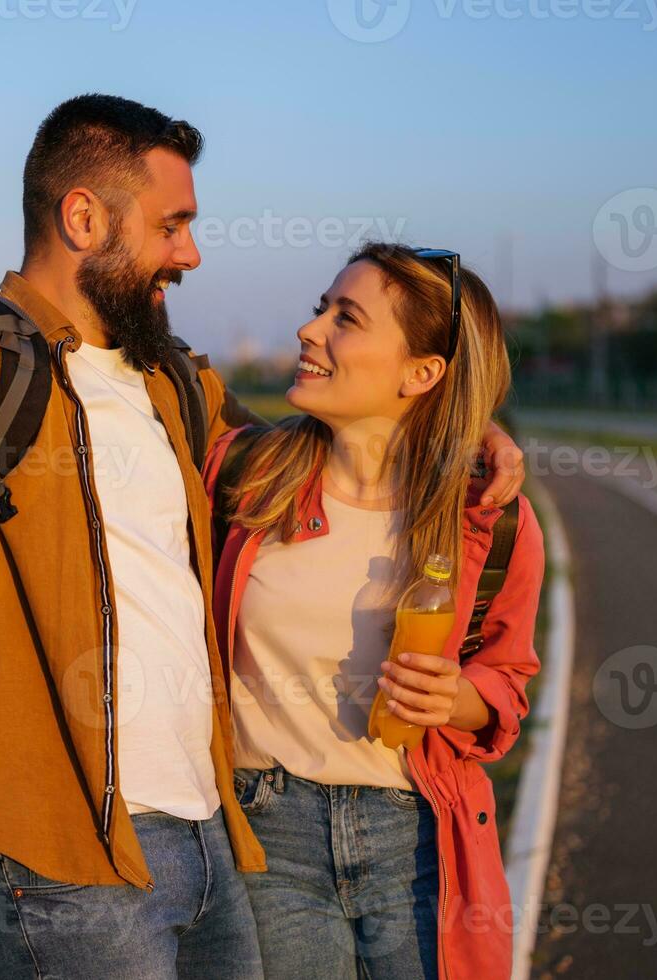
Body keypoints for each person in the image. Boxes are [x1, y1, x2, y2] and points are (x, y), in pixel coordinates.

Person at [0, 94, 526, 976]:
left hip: (213, 847)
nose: (190, 252)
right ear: (84, 217)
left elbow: (333, 447)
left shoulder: (174, 383)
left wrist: (455, 431)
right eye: (172, 225)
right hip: (57, 870)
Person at [203, 243, 544, 979]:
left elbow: (507, 683)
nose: (310, 330)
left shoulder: (490, 520)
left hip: (417, 840)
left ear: (422, 373)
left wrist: (458, 699)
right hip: (267, 834)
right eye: (319, 308)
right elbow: (161, 379)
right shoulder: (242, 475)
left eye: (345, 318)